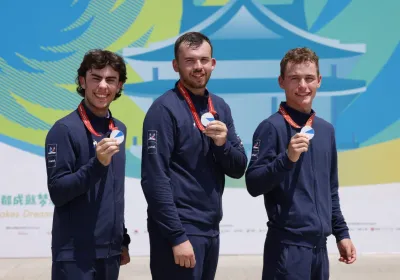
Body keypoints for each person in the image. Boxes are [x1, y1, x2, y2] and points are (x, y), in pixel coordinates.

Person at [140, 31, 248, 279]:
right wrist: (177, 236)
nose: (198, 66)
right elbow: (154, 178)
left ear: (213, 63)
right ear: (176, 65)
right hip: (179, 230)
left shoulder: (220, 107)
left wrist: (222, 144)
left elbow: (238, 167)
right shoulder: (163, 110)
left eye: (203, 59)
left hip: (210, 228)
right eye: (190, 60)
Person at [245, 47, 356, 280]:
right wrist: (286, 159)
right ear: (281, 82)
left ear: (319, 81)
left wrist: (342, 234)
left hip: (319, 248)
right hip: (287, 248)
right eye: (294, 79)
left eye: (309, 78)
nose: (303, 86)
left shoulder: (325, 130)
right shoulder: (271, 128)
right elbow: (253, 184)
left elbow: (330, 190)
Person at [45, 49, 131, 280]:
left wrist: (121, 239)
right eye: (96, 78)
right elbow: (58, 192)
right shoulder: (63, 130)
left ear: (119, 86)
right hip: (74, 254)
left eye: (111, 80)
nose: (103, 86)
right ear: (83, 81)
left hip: (110, 252)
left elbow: (113, 191)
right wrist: (97, 165)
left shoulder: (119, 130)